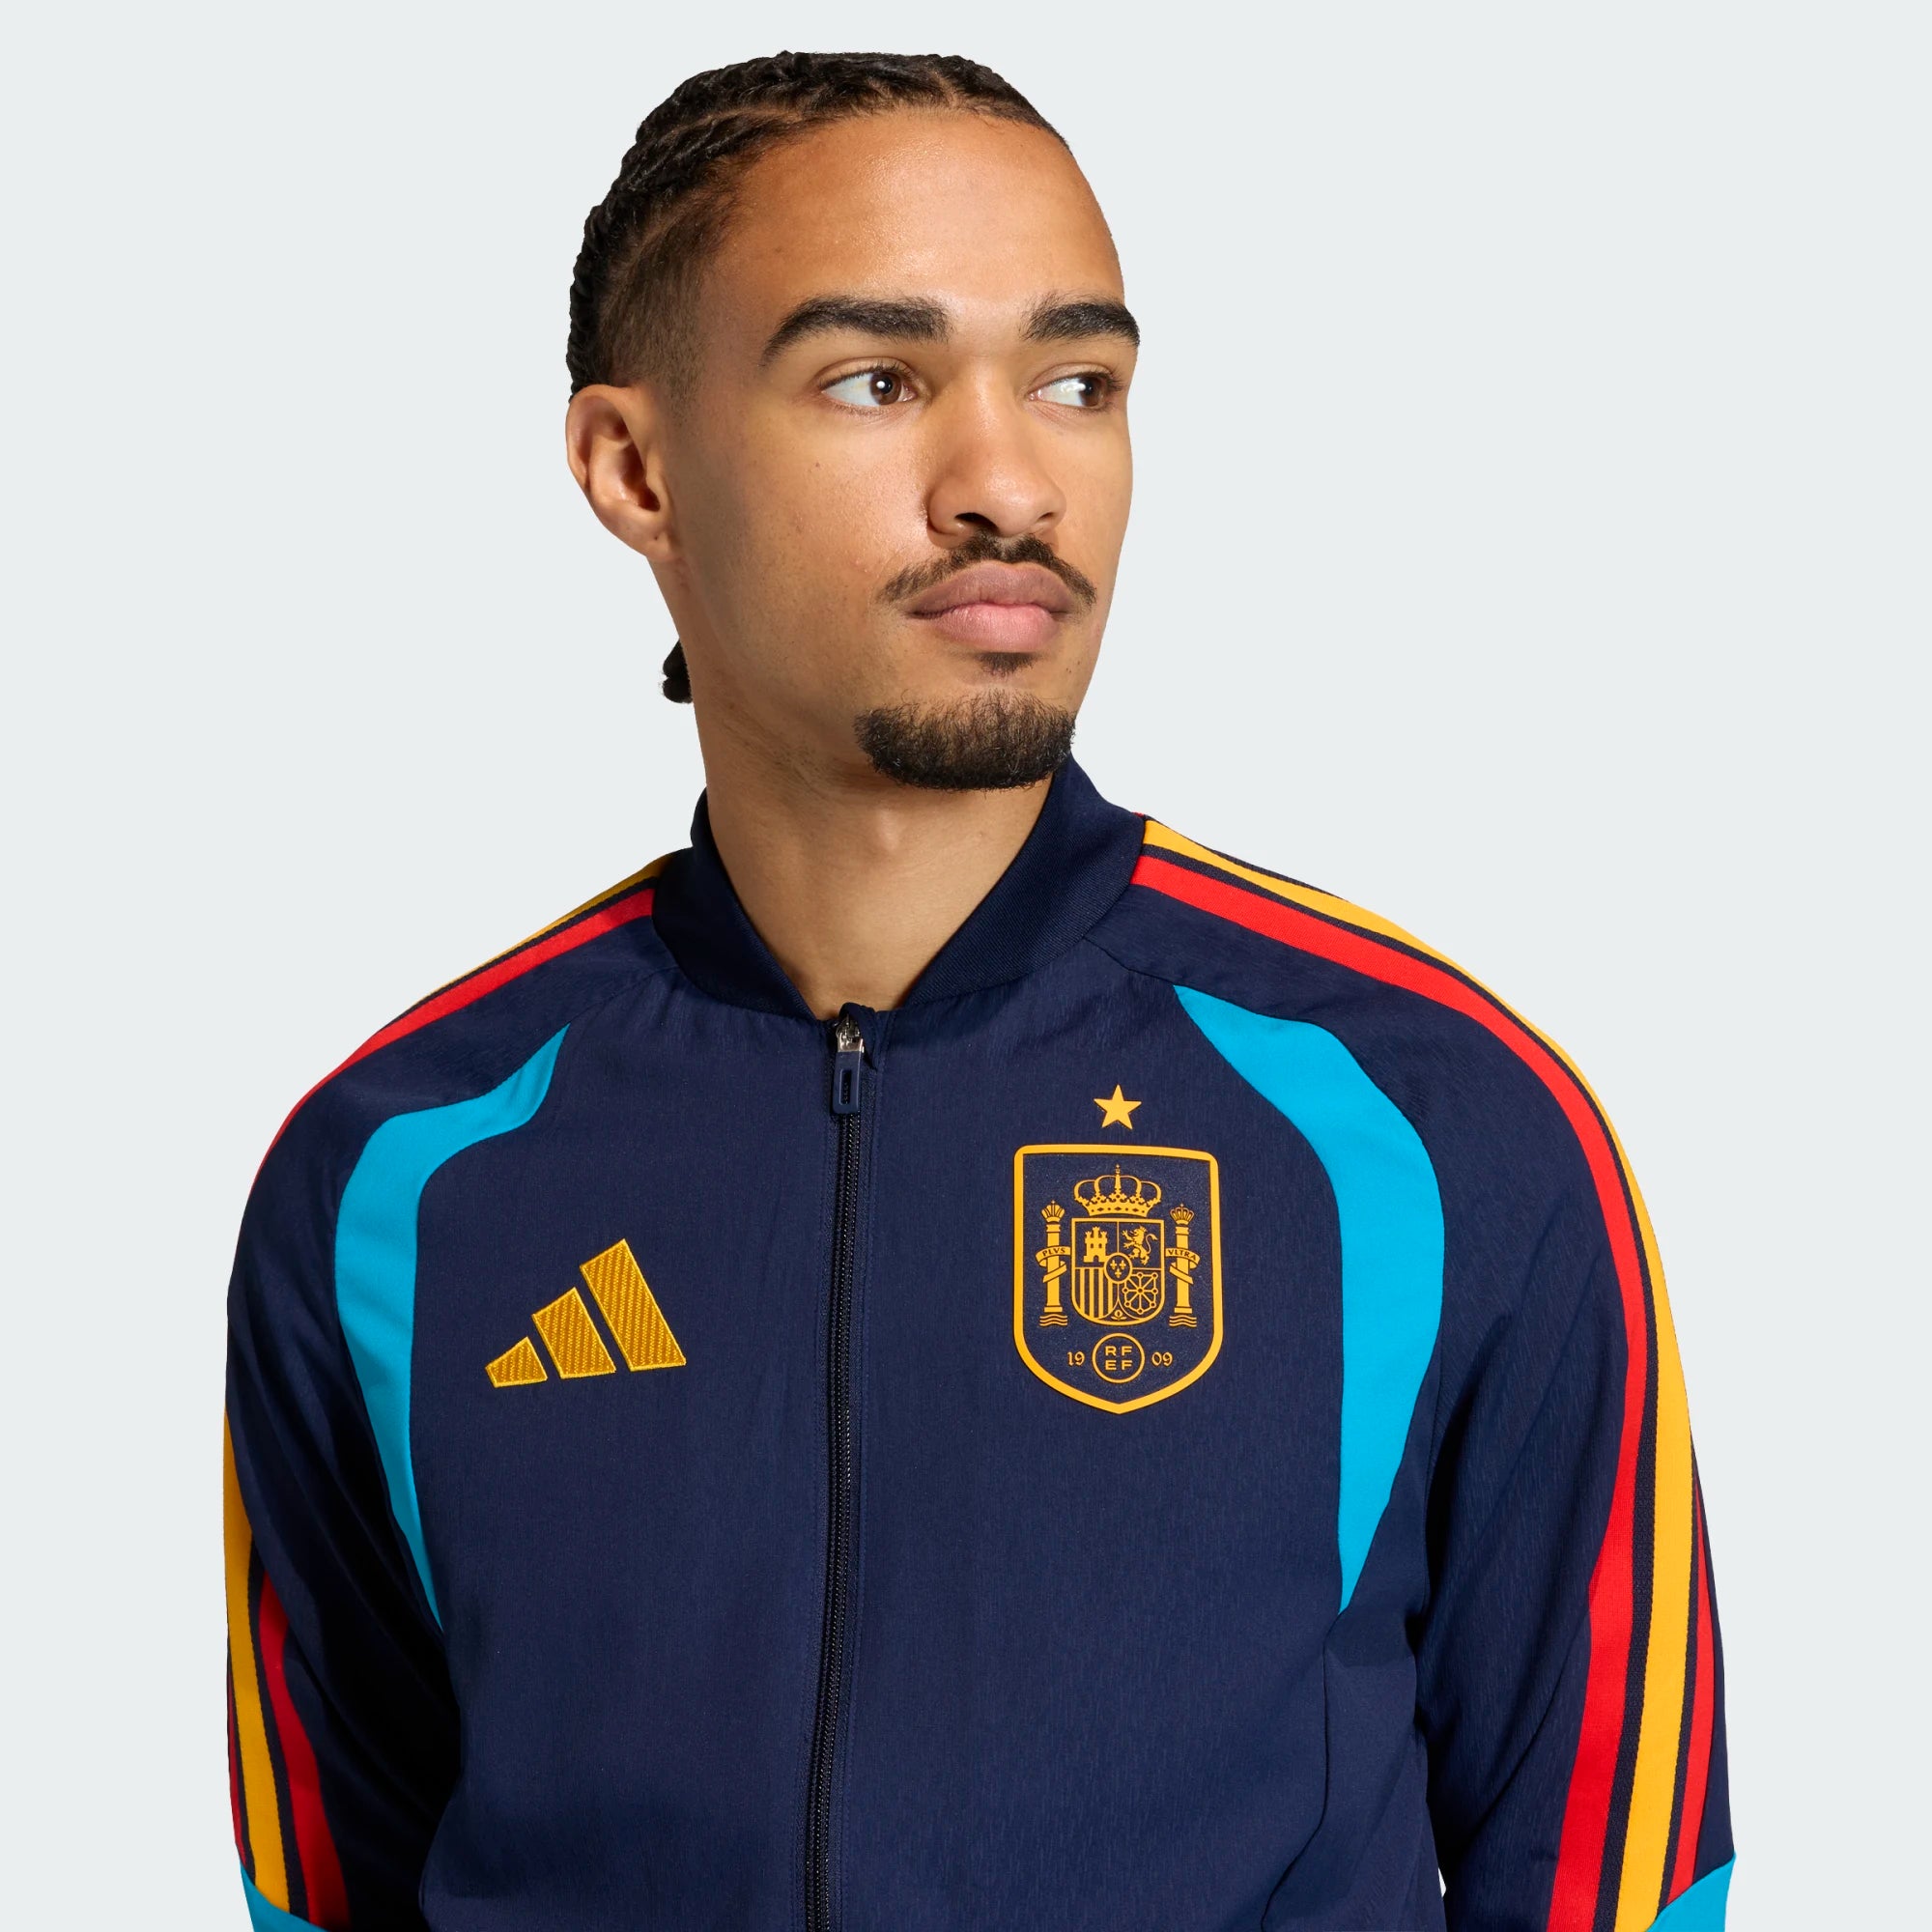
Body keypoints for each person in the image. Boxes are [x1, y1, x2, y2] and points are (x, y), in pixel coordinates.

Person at [220, 50, 1733, 1932]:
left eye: (1076, 383)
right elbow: (331, 1885)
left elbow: (1616, 1876)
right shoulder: (398, 1172)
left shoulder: (1429, 1121)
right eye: (878, 379)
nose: (1011, 482)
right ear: (635, 468)